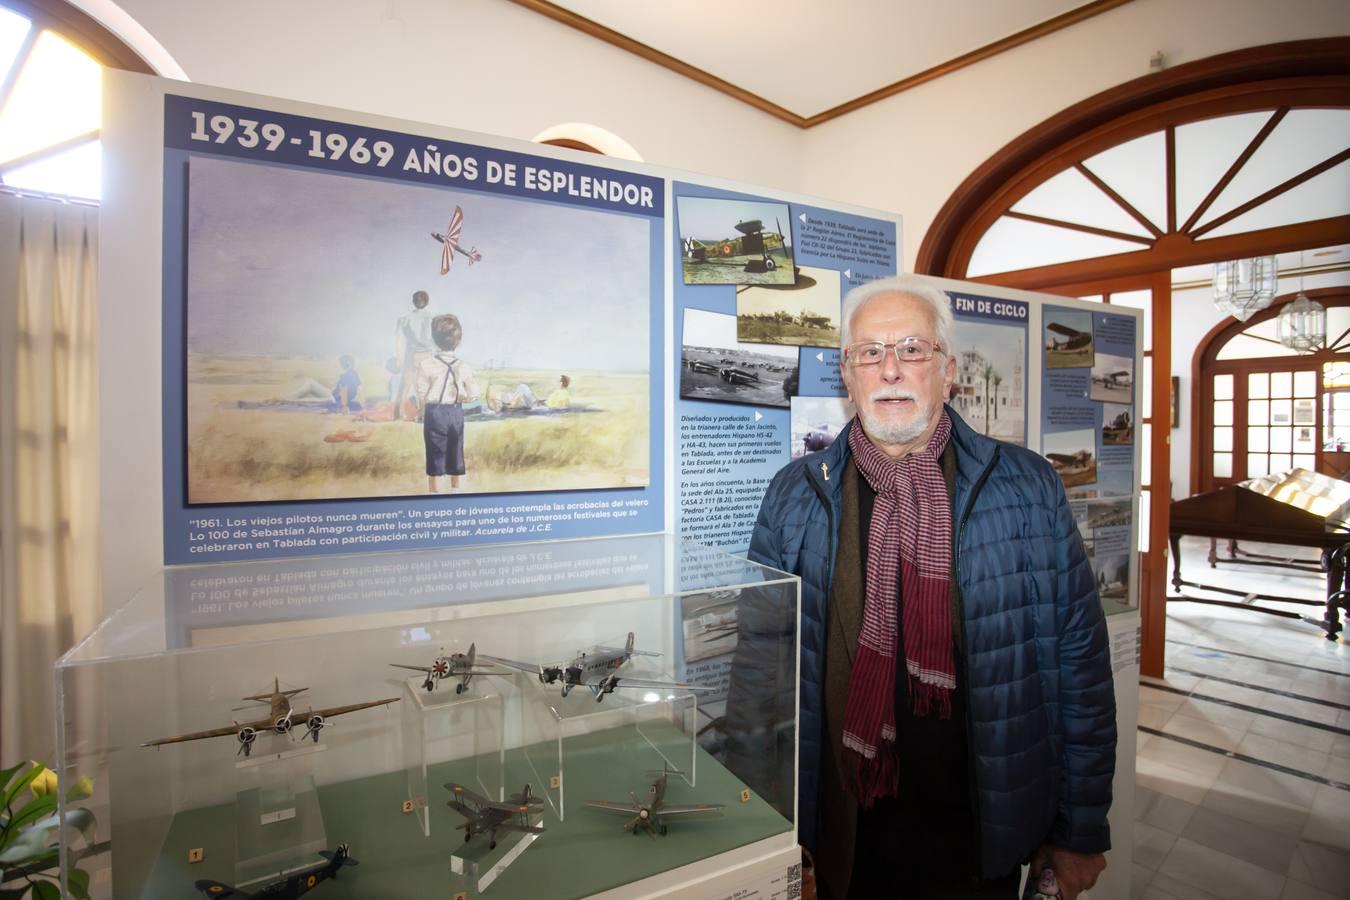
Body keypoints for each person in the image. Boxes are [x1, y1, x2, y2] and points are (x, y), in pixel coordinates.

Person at [739, 275, 1115, 900]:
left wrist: (1079, 829)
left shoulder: (1025, 487)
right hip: (842, 840)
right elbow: (760, 671)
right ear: (848, 374)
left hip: (979, 841)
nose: (890, 370)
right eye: (870, 352)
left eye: (912, 350)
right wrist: (766, 829)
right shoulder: (793, 493)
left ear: (948, 371)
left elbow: (1079, 667)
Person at [415, 314, 479, 493]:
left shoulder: (426, 364)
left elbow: (421, 392)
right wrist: (461, 395)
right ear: (458, 340)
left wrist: (423, 409)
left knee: (435, 456)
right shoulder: (464, 366)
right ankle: (455, 493)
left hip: (434, 413)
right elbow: (474, 394)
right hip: (456, 413)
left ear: (435, 339)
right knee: (456, 454)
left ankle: (434, 496)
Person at [394, 290, 436, 419]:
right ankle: (424, 414)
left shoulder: (404, 319)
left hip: (411, 354)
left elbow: (398, 340)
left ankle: (398, 415)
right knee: (425, 386)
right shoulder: (433, 318)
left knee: (405, 385)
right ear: (427, 302)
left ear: (413, 302)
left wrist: (399, 357)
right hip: (428, 354)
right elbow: (436, 340)